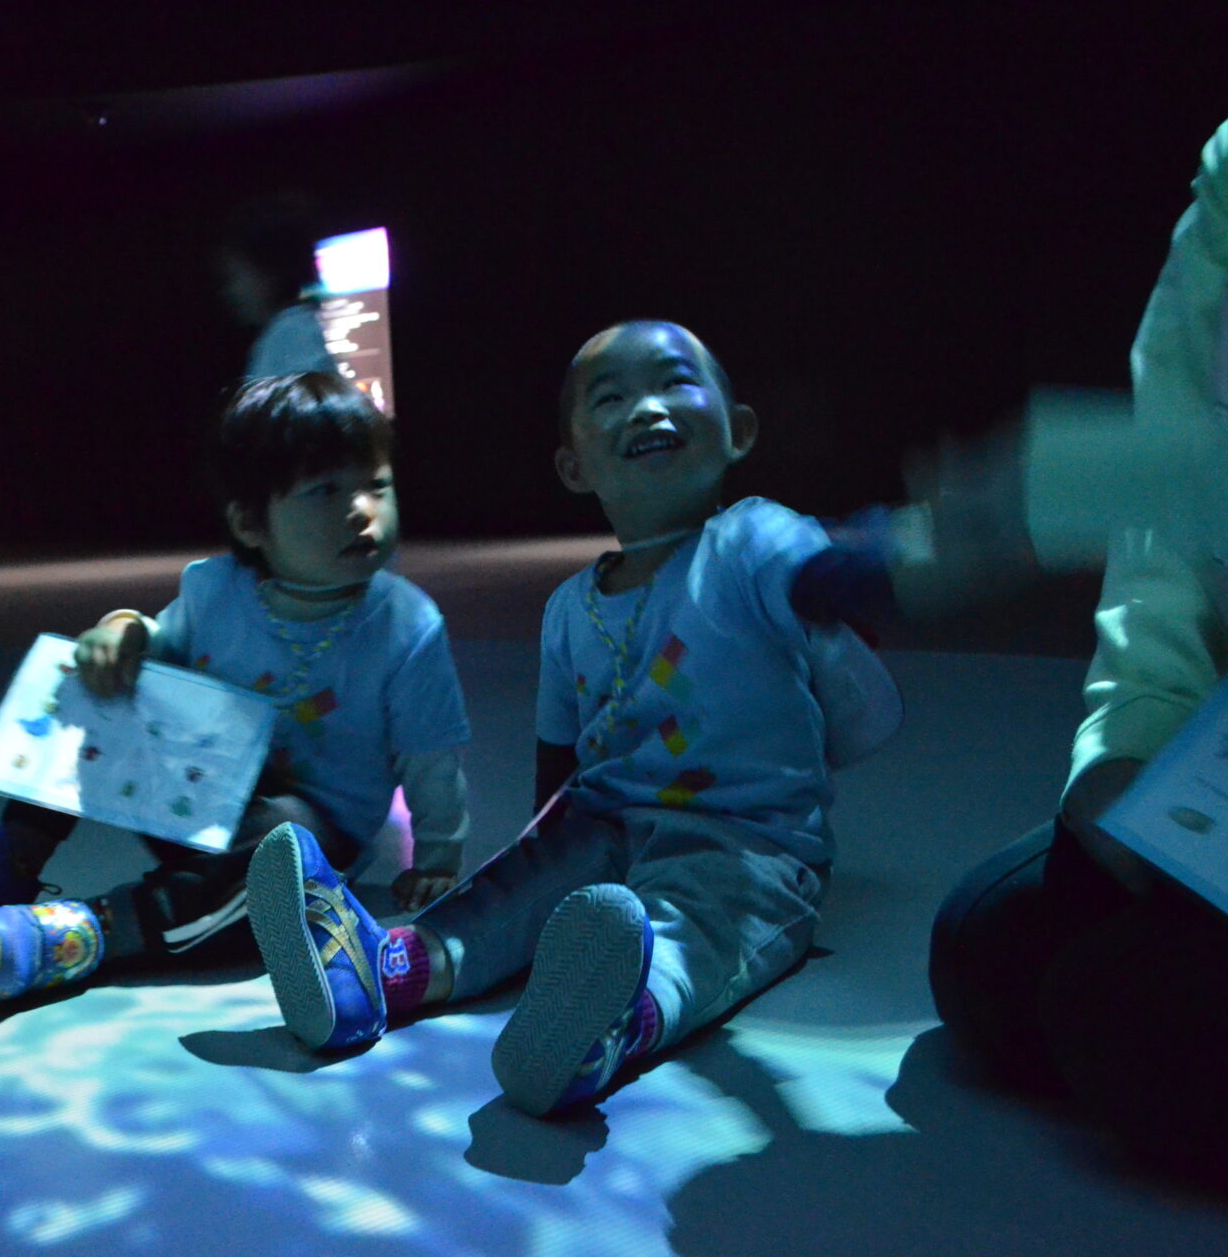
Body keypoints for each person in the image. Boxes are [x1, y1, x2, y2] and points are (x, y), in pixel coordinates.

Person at [246, 320, 909, 1112]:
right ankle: (381, 971)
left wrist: (882, 560)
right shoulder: (569, 608)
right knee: (504, 898)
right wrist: (541, 865)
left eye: (675, 381)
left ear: (738, 431)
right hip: (602, 820)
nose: (648, 406)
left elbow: (826, 577)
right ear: (573, 465)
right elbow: (557, 756)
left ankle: (613, 1022)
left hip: (746, 838)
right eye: (612, 397)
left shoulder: (754, 540)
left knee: (700, 932)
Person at [929, 76, 1228, 1202]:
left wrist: (1061, 482)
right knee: (989, 954)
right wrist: (1135, 741)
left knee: (1139, 1031)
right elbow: (1173, 481)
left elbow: (1177, 473)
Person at [0, 372, 473, 1000]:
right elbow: (156, 645)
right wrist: (123, 631)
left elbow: (430, 755)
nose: (361, 510)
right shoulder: (215, 590)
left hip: (314, 845)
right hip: (199, 794)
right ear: (250, 523)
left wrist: (437, 856)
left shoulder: (406, 626)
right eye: (325, 491)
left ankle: (91, 932)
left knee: (284, 850)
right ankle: (7, 857)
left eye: (377, 485)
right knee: (99, 681)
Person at [219, 194, 344, 380]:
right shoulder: (293, 332)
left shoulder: (290, 338)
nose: (230, 292)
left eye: (235, 276)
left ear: (268, 271)